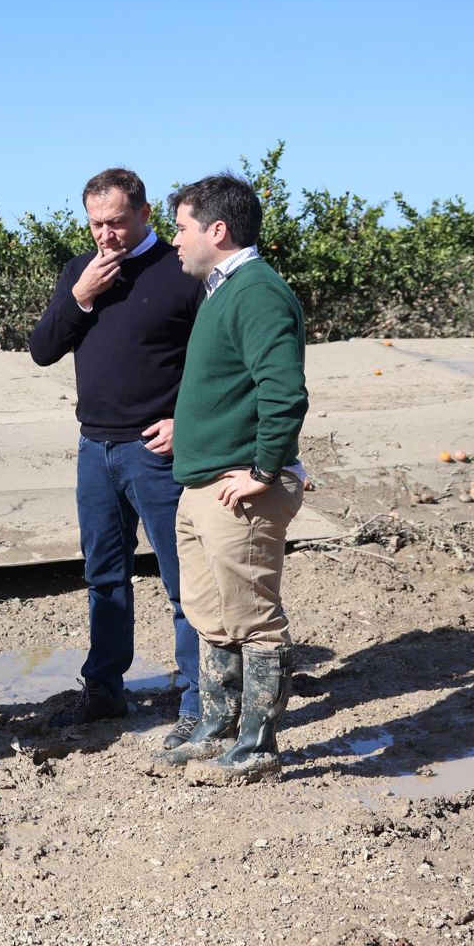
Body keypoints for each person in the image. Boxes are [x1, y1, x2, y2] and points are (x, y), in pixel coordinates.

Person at [28, 168, 205, 744]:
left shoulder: (183, 271)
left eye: (118, 223)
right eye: (96, 224)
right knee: (105, 575)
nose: (107, 235)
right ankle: (105, 691)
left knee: (184, 583)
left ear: (146, 215)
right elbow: (42, 350)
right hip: (94, 448)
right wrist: (79, 299)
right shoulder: (80, 271)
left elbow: (217, 363)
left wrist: (188, 423)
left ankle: (196, 701)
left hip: (156, 453)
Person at [154, 174, 309, 785]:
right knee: (210, 612)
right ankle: (216, 729)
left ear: (217, 231)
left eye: (182, 228)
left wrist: (265, 471)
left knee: (253, 615)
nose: (175, 241)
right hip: (202, 482)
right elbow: (233, 387)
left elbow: (283, 391)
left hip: (237, 488)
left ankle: (258, 744)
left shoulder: (257, 292)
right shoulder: (224, 290)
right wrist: (186, 428)